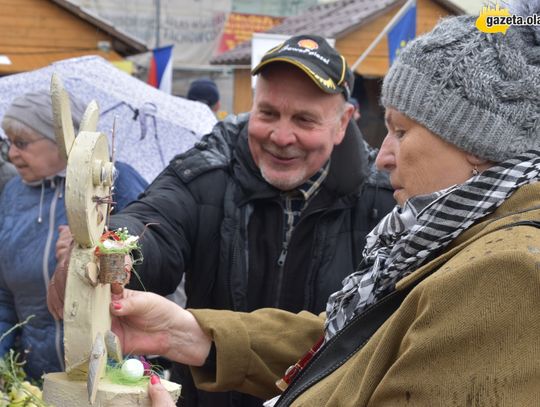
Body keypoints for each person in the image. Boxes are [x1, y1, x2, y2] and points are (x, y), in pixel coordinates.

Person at [109, 11, 540, 407]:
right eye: (268, 112)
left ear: (479, 148)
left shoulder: (506, 274)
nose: (385, 156)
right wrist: (183, 330)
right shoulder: (432, 232)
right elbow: (351, 345)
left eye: (402, 132)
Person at [49, 35, 395, 406]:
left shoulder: (384, 200)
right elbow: (154, 221)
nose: (281, 136)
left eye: (304, 120)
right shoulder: (209, 167)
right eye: (267, 114)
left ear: (343, 123)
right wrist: (106, 249)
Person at [0, 89, 148, 381]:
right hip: (35, 377)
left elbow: (152, 267)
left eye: (22, 143)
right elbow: (3, 292)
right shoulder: (13, 194)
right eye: (8, 143)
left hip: (112, 373)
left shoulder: (112, 180)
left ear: (61, 141)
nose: (12, 154)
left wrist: (96, 247)